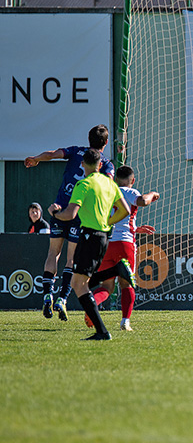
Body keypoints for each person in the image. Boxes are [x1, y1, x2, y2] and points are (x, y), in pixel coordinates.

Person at [24, 124, 115, 321]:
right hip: (79, 215)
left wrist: (35, 159)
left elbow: (52, 154)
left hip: (59, 209)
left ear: (89, 139)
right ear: (106, 143)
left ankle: (47, 293)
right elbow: (106, 187)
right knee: (71, 259)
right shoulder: (106, 164)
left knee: (52, 253)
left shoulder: (75, 151)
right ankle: (62, 299)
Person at [48, 149, 133, 340]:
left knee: (78, 284)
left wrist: (54, 213)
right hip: (104, 236)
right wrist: (108, 223)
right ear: (100, 165)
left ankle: (102, 332)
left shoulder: (83, 184)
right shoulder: (109, 183)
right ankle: (116, 270)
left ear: (82, 165)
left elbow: (70, 215)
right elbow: (125, 209)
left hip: (88, 236)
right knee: (82, 282)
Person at [87, 166, 160, 332]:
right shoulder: (130, 192)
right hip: (125, 244)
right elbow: (143, 201)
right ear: (132, 181)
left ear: (114, 179)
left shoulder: (107, 191)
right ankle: (125, 322)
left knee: (107, 286)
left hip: (107, 244)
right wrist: (153, 194)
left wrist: (135, 227)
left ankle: (92, 303)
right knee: (126, 284)